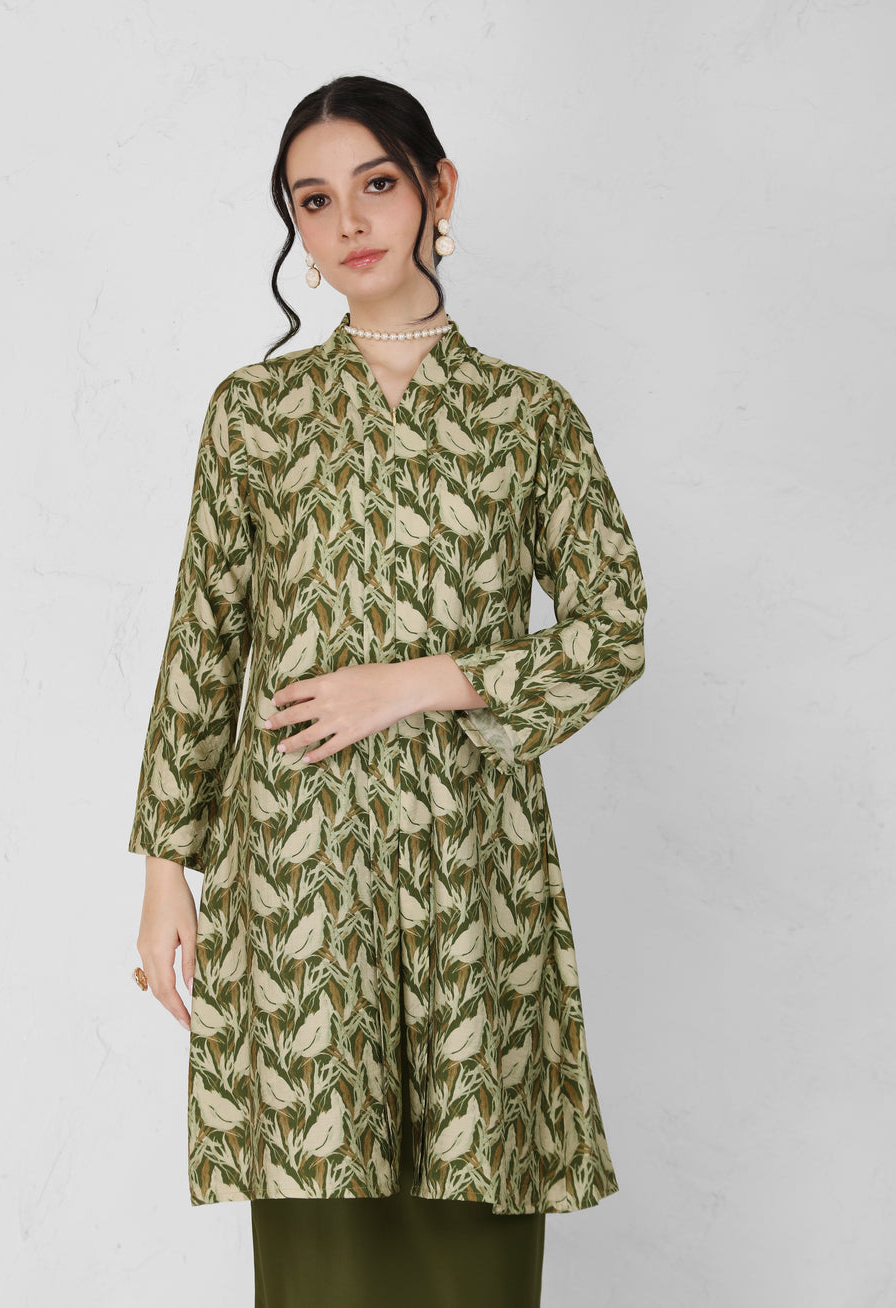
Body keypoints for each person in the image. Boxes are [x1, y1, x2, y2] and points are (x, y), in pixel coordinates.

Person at [128, 74, 647, 1308]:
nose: (349, 221)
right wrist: (164, 870)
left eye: (376, 184)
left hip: (474, 867)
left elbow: (612, 629)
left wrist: (423, 680)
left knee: (472, 1230)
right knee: (324, 1234)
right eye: (314, 200)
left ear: (436, 190)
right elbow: (204, 643)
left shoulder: (527, 418)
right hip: (300, 872)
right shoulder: (257, 415)